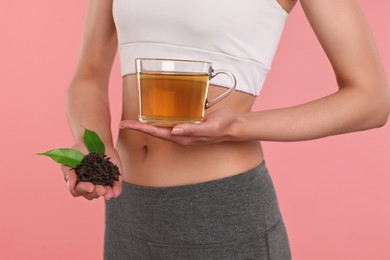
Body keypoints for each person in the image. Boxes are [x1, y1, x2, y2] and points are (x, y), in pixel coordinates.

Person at [62, 0, 390, 259]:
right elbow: (89, 73)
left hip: (221, 213)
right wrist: (95, 148)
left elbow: (372, 100)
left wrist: (239, 126)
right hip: (128, 211)